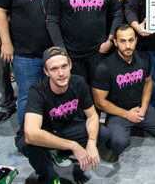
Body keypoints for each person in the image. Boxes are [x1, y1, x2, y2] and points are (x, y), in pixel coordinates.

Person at [0, 0, 65, 126]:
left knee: (56, 96)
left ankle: (52, 132)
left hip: (55, 52)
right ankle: (28, 138)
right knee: (27, 96)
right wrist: (6, 42)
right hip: (26, 53)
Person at [24, 46, 111, 184]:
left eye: (64, 66)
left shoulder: (78, 82)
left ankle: (60, 153)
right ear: (46, 72)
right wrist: (73, 146)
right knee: (30, 143)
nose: (61, 73)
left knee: (102, 133)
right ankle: (49, 176)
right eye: (54, 69)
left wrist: (92, 143)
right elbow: (31, 133)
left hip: (65, 129)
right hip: (45, 133)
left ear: (70, 65)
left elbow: (92, 116)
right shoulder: (37, 91)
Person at [91, 24, 155, 156]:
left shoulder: (144, 59)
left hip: (138, 107)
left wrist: (144, 108)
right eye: (122, 41)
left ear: (136, 40)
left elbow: (148, 83)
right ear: (115, 42)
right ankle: (120, 127)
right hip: (117, 113)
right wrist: (127, 115)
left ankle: (133, 124)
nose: (128, 45)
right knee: (118, 144)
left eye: (130, 40)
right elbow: (100, 102)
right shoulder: (104, 67)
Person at [47, 0, 123, 86]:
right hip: (71, 54)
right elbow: (52, 19)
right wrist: (61, 49)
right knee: (78, 93)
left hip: (99, 52)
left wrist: (110, 40)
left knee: (99, 91)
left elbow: (117, 13)